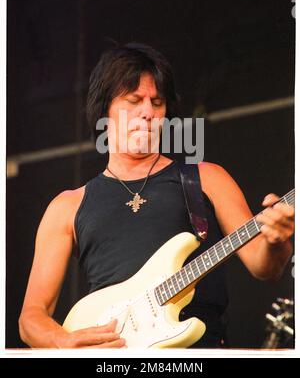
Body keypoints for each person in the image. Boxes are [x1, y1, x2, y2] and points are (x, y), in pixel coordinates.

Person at [19, 43, 295, 349]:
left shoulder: (206, 177)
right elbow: (31, 317)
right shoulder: (67, 206)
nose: (148, 112)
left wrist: (277, 241)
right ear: (104, 111)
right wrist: (61, 341)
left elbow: (264, 266)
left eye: (157, 102)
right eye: (134, 101)